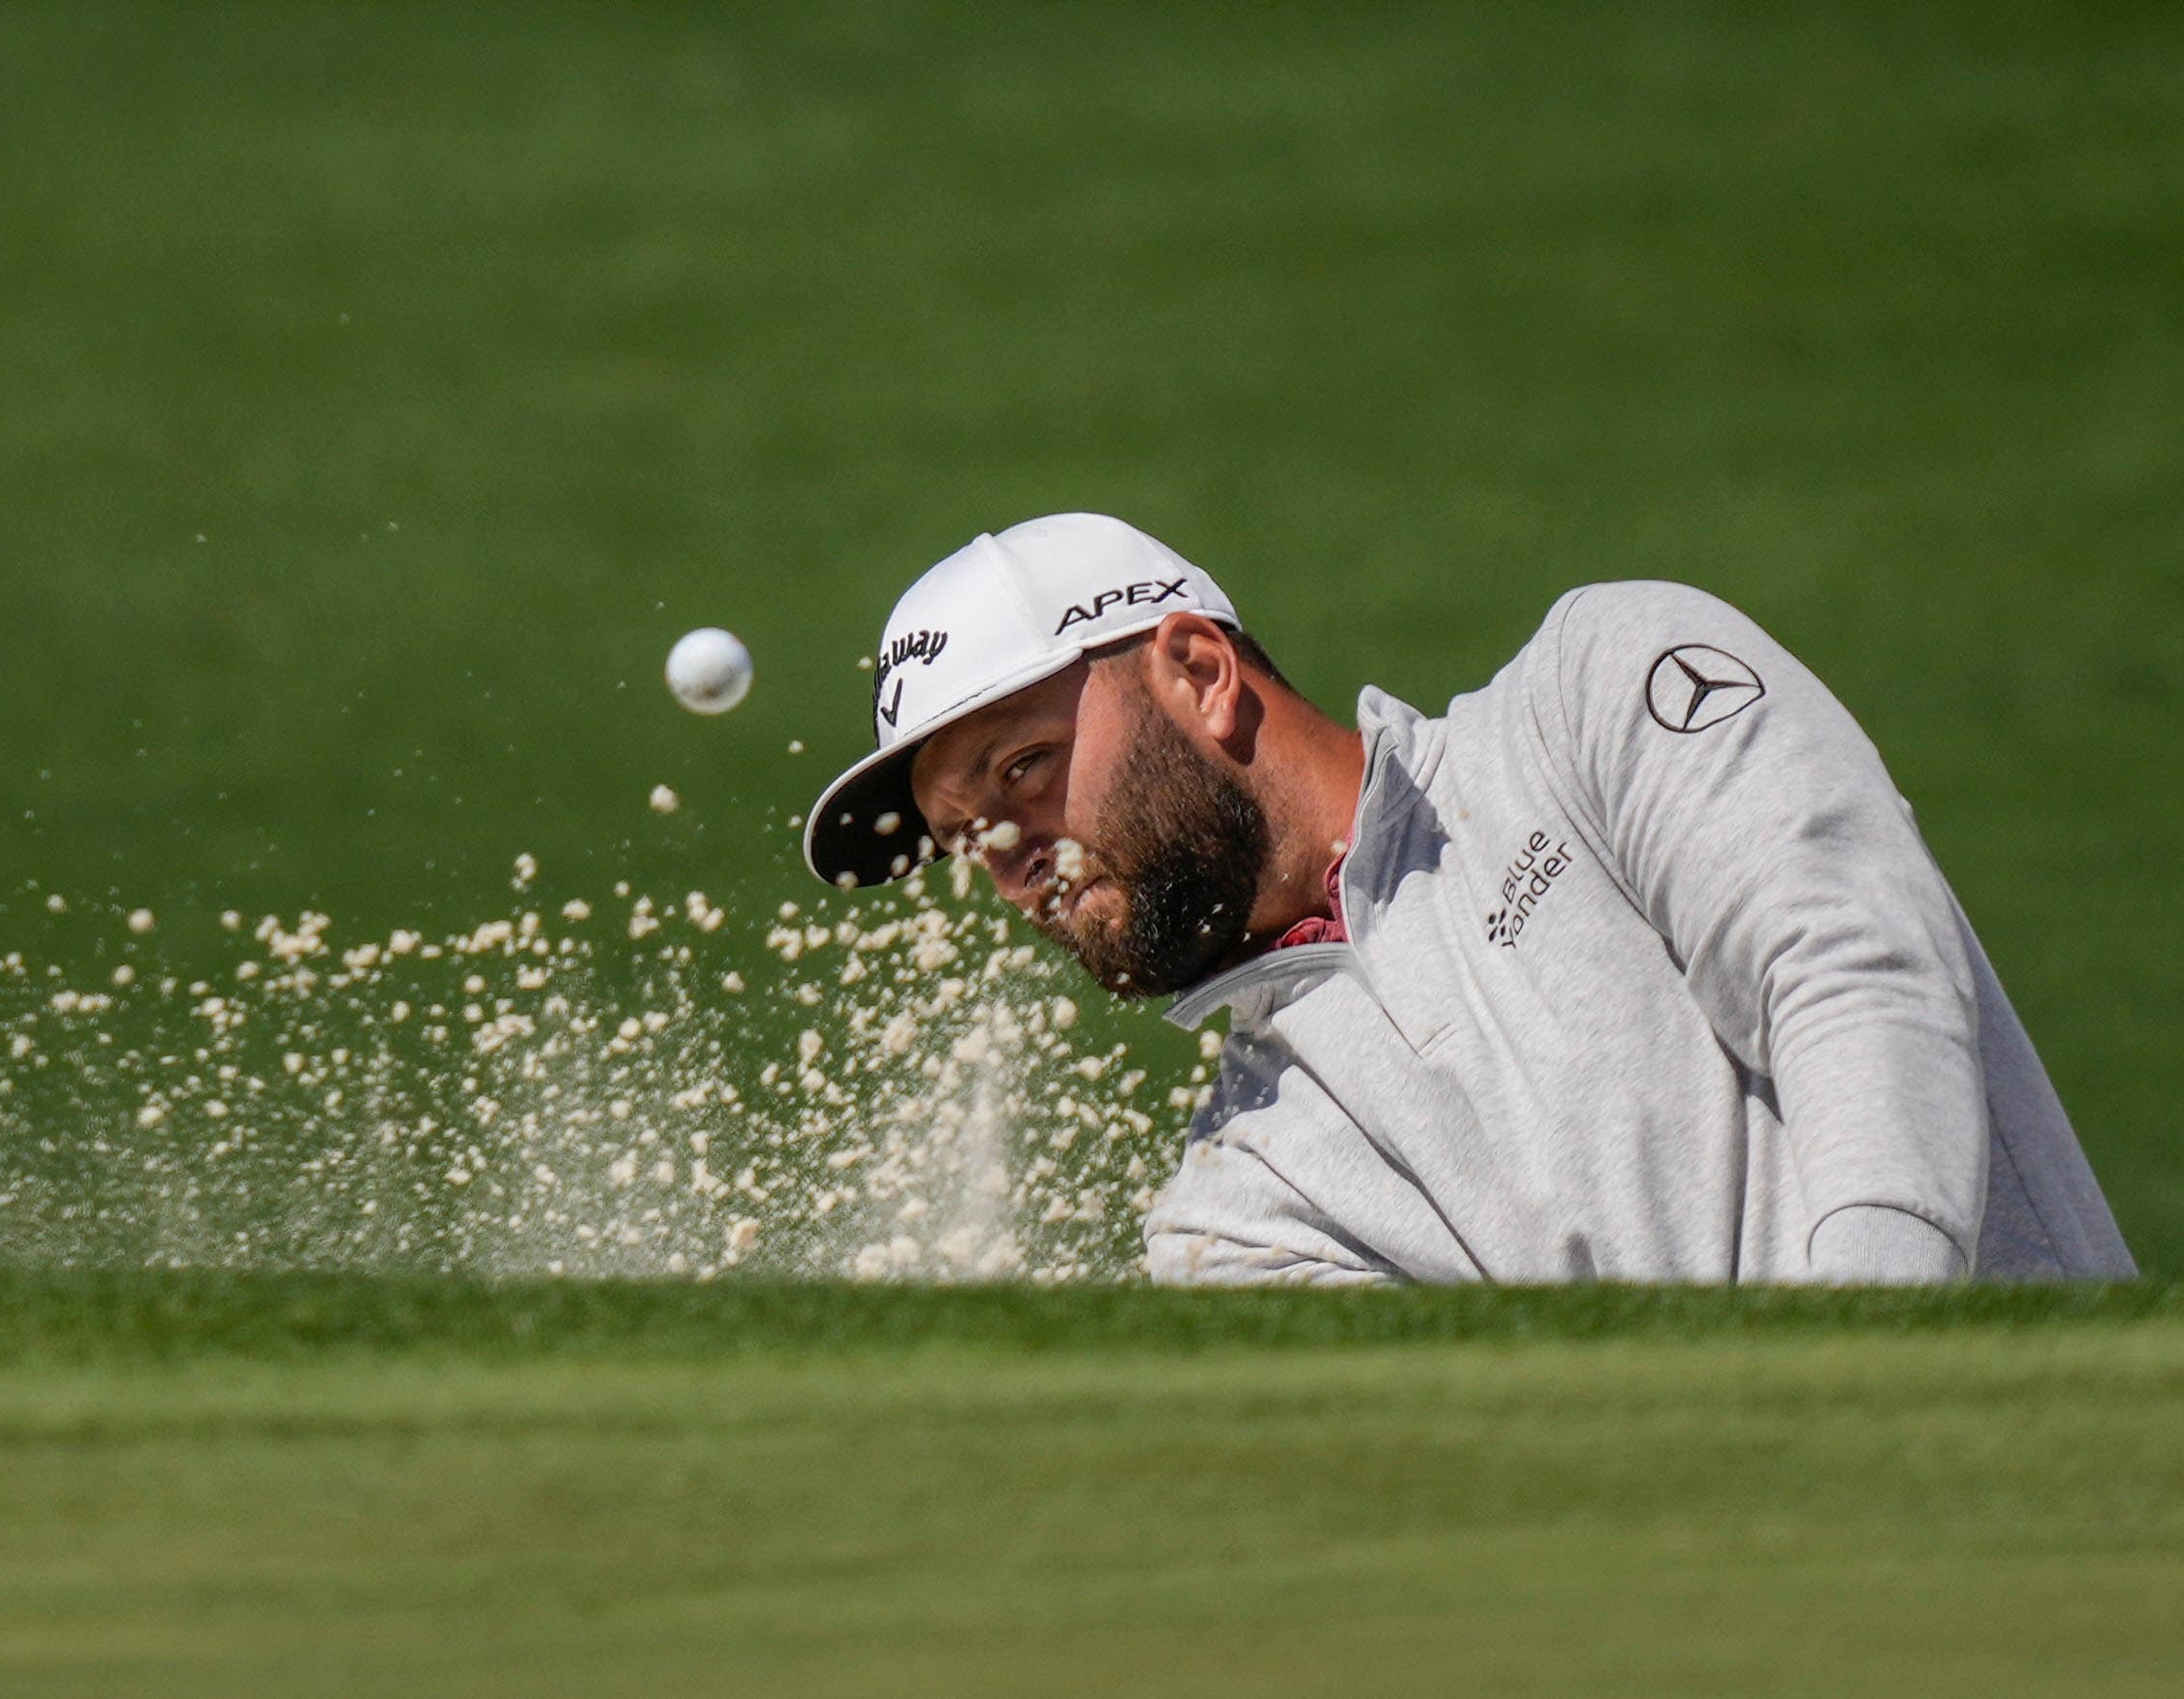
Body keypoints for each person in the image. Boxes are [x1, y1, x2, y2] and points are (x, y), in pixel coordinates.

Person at [803, 513, 2136, 1283]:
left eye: (1024, 768)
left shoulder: (1597, 694)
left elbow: (1853, 973)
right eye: (963, 833)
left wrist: (1864, 1360)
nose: (1006, 853)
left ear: (1198, 672)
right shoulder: (1238, 1213)